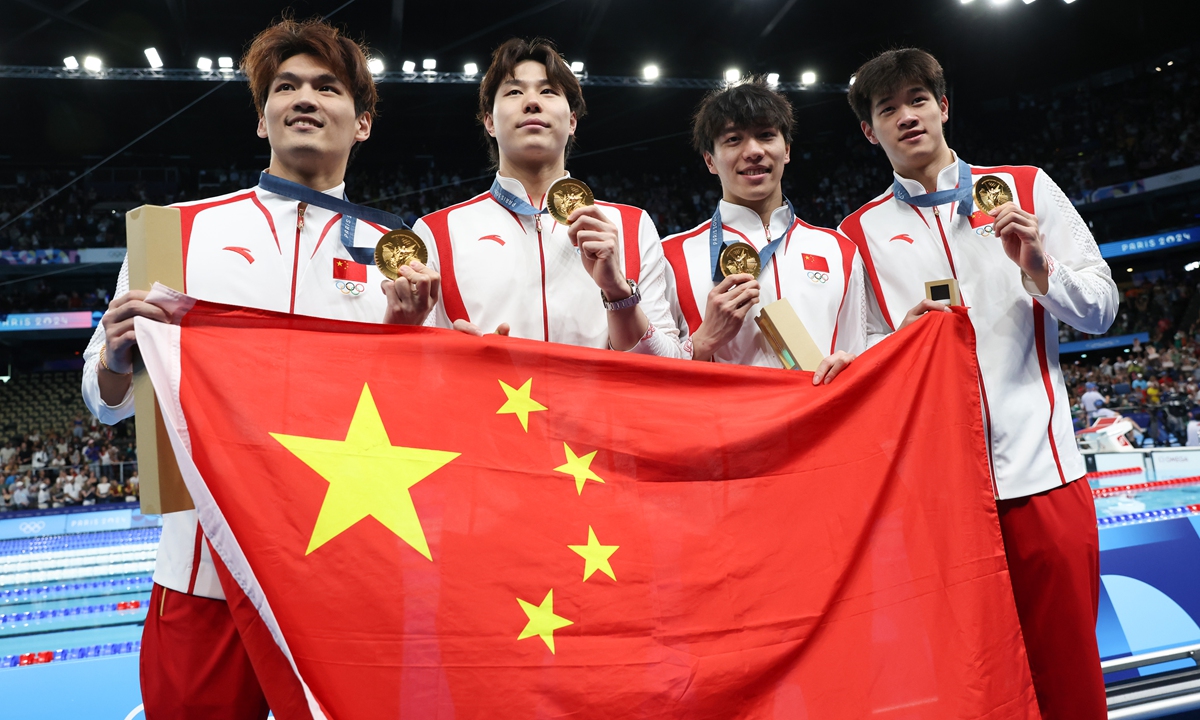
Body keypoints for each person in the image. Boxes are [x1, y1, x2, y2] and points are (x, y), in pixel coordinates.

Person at [79, 17, 426, 720]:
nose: (304, 98)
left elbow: (425, 409)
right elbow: (103, 398)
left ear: (361, 123)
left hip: (348, 567)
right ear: (261, 118)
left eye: (326, 87)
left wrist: (410, 333)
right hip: (203, 570)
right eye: (285, 86)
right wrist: (115, 354)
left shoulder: (404, 250)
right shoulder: (177, 230)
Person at [839, 48, 1118, 719]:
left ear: (944, 106)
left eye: (917, 99)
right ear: (869, 132)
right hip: (941, 500)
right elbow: (856, 359)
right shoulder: (859, 233)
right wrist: (900, 340)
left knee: (1070, 674)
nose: (906, 116)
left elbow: (1102, 310)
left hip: (1044, 475)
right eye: (887, 108)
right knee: (972, 683)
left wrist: (1041, 269)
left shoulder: (1026, 187)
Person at [410, 37, 683, 356]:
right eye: (514, 91)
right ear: (489, 122)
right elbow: (414, 367)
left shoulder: (632, 227)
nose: (531, 102)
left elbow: (671, 363)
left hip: (600, 409)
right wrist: (451, 357)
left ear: (571, 122)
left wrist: (618, 293)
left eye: (548, 91)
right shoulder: (437, 232)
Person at [661, 78, 865, 379]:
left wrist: (852, 365)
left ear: (786, 150)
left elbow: (859, 352)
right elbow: (651, 375)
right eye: (733, 139)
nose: (753, 150)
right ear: (710, 161)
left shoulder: (840, 250)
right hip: (722, 424)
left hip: (823, 422)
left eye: (766, 135)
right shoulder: (671, 255)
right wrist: (701, 342)